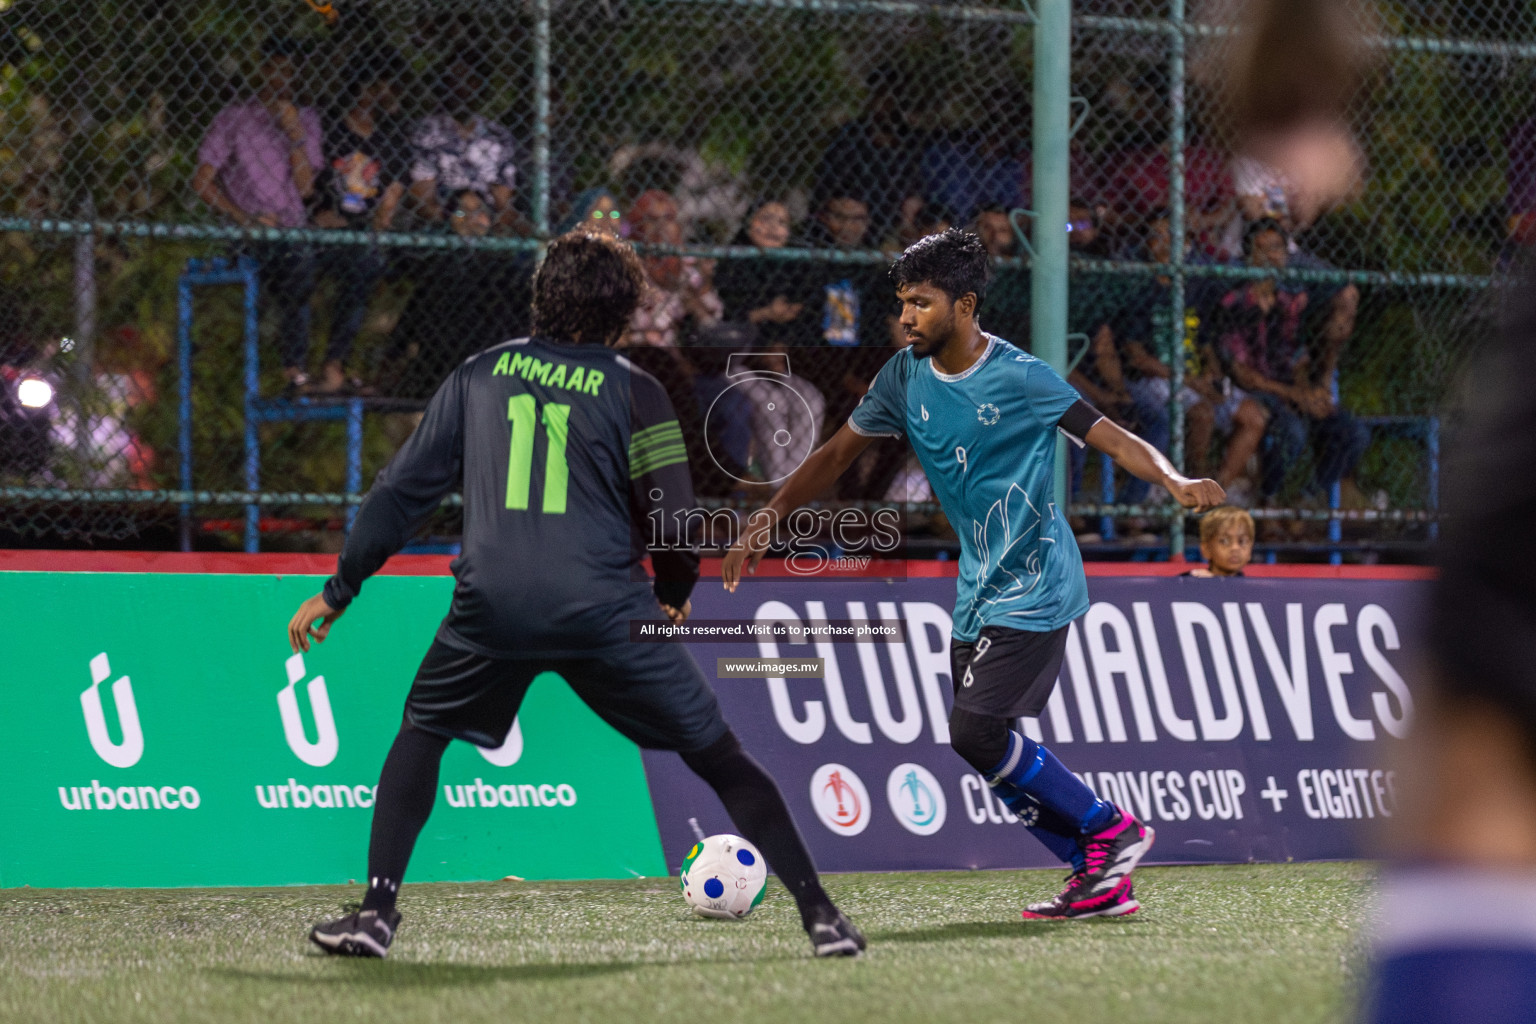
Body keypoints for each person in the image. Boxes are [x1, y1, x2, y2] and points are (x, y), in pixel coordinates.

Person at [287, 228, 865, 960]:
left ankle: (376, 913)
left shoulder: (478, 374)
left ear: (541, 296)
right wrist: (676, 590)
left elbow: (400, 495)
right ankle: (821, 916)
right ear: (624, 313)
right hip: (606, 610)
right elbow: (675, 520)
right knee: (718, 754)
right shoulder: (637, 390)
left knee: (422, 734)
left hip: (492, 608)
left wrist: (340, 590)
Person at [723, 230, 1225, 919]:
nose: (906, 317)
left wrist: (1172, 478)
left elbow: (1108, 433)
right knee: (988, 746)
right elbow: (839, 450)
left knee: (975, 732)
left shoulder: (1020, 376)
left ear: (964, 305)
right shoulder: (903, 377)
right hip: (979, 587)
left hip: (1038, 580)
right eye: (903, 302)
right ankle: (1098, 873)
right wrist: (772, 513)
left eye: (922, 303)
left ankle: (1112, 828)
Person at [191, 36, 324, 393]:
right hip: (246, 228)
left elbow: (307, 188)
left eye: (288, 70)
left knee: (303, 260)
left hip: (291, 229)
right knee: (275, 271)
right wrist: (244, 218)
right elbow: (202, 182)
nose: (280, 77)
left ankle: (294, 370)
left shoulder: (306, 120)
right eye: (273, 68)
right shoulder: (234, 118)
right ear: (261, 70)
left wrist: (294, 134)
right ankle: (254, 364)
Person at [1211, 218, 1367, 500]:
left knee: (1353, 433)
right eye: (1263, 250)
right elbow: (1242, 373)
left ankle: (1304, 501)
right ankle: (1267, 499)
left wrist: (1311, 392)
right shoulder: (1234, 302)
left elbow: (1297, 357)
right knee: (1292, 433)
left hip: (1288, 388)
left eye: (1277, 249)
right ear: (1248, 257)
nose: (1272, 257)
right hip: (1254, 391)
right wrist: (1294, 394)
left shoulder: (1290, 300)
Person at [309, 49, 412, 394]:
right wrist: (314, 212)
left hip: (361, 235)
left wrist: (375, 226)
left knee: (370, 264)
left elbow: (389, 204)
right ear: (366, 88)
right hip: (319, 230)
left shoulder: (393, 141)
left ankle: (339, 365)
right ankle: (304, 368)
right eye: (387, 88)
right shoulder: (330, 130)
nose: (392, 97)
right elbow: (304, 182)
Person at [408, 49, 527, 234]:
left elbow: (504, 202)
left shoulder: (497, 135)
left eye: (472, 80)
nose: (462, 87)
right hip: (442, 223)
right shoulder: (427, 131)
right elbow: (422, 198)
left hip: (487, 223)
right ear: (444, 84)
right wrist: (458, 215)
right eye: (455, 79)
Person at [714, 199, 815, 351]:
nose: (773, 227)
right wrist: (766, 313)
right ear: (748, 226)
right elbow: (724, 316)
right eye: (765, 219)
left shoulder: (796, 268)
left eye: (782, 222)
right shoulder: (731, 265)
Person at [1182, 506, 1254, 577]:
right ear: (1206, 549)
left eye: (1242, 541)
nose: (1235, 548)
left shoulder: (1254, 587)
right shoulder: (1189, 581)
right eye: (1224, 541)